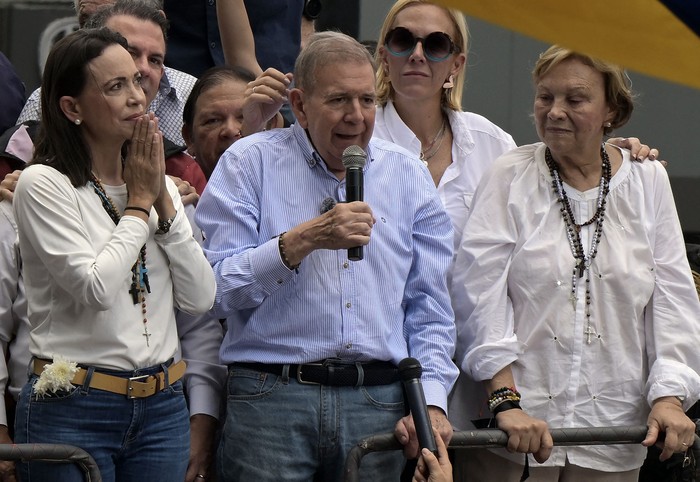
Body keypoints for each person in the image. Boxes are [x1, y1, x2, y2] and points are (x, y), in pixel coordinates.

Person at [195, 30, 457, 481]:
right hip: (272, 399)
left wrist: (431, 403)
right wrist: (299, 242)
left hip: (377, 400)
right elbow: (213, 290)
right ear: (298, 105)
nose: (356, 117)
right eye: (338, 101)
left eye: (367, 100)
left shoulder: (408, 175)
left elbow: (430, 307)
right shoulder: (247, 163)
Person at [450, 45, 700, 480]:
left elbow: (673, 303)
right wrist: (505, 401)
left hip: (614, 430)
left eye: (575, 99)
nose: (555, 111)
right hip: (514, 434)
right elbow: (478, 297)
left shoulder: (647, 180)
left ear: (612, 110)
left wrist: (669, 397)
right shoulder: (509, 174)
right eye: (545, 97)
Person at [12, 27, 215, 481]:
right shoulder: (43, 183)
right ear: (71, 108)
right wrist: (141, 203)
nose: (136, 97)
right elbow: (96, 288)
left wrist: (161, 203)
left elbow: (201, 297)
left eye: (137, 82)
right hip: (74, 406)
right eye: (115, 86)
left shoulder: (155, 183)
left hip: (161, 406)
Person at [17, 0, 196, 147]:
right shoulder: (44, 101)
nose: (143, 69)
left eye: (155, 60)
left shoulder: (192, 95)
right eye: (130, 52)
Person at [182, 65, 289, 179]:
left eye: (244, 117)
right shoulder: (173, 193)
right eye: (213, 121)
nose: (230, 130)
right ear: (189, 138)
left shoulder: (291, 186)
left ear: (271, 127)